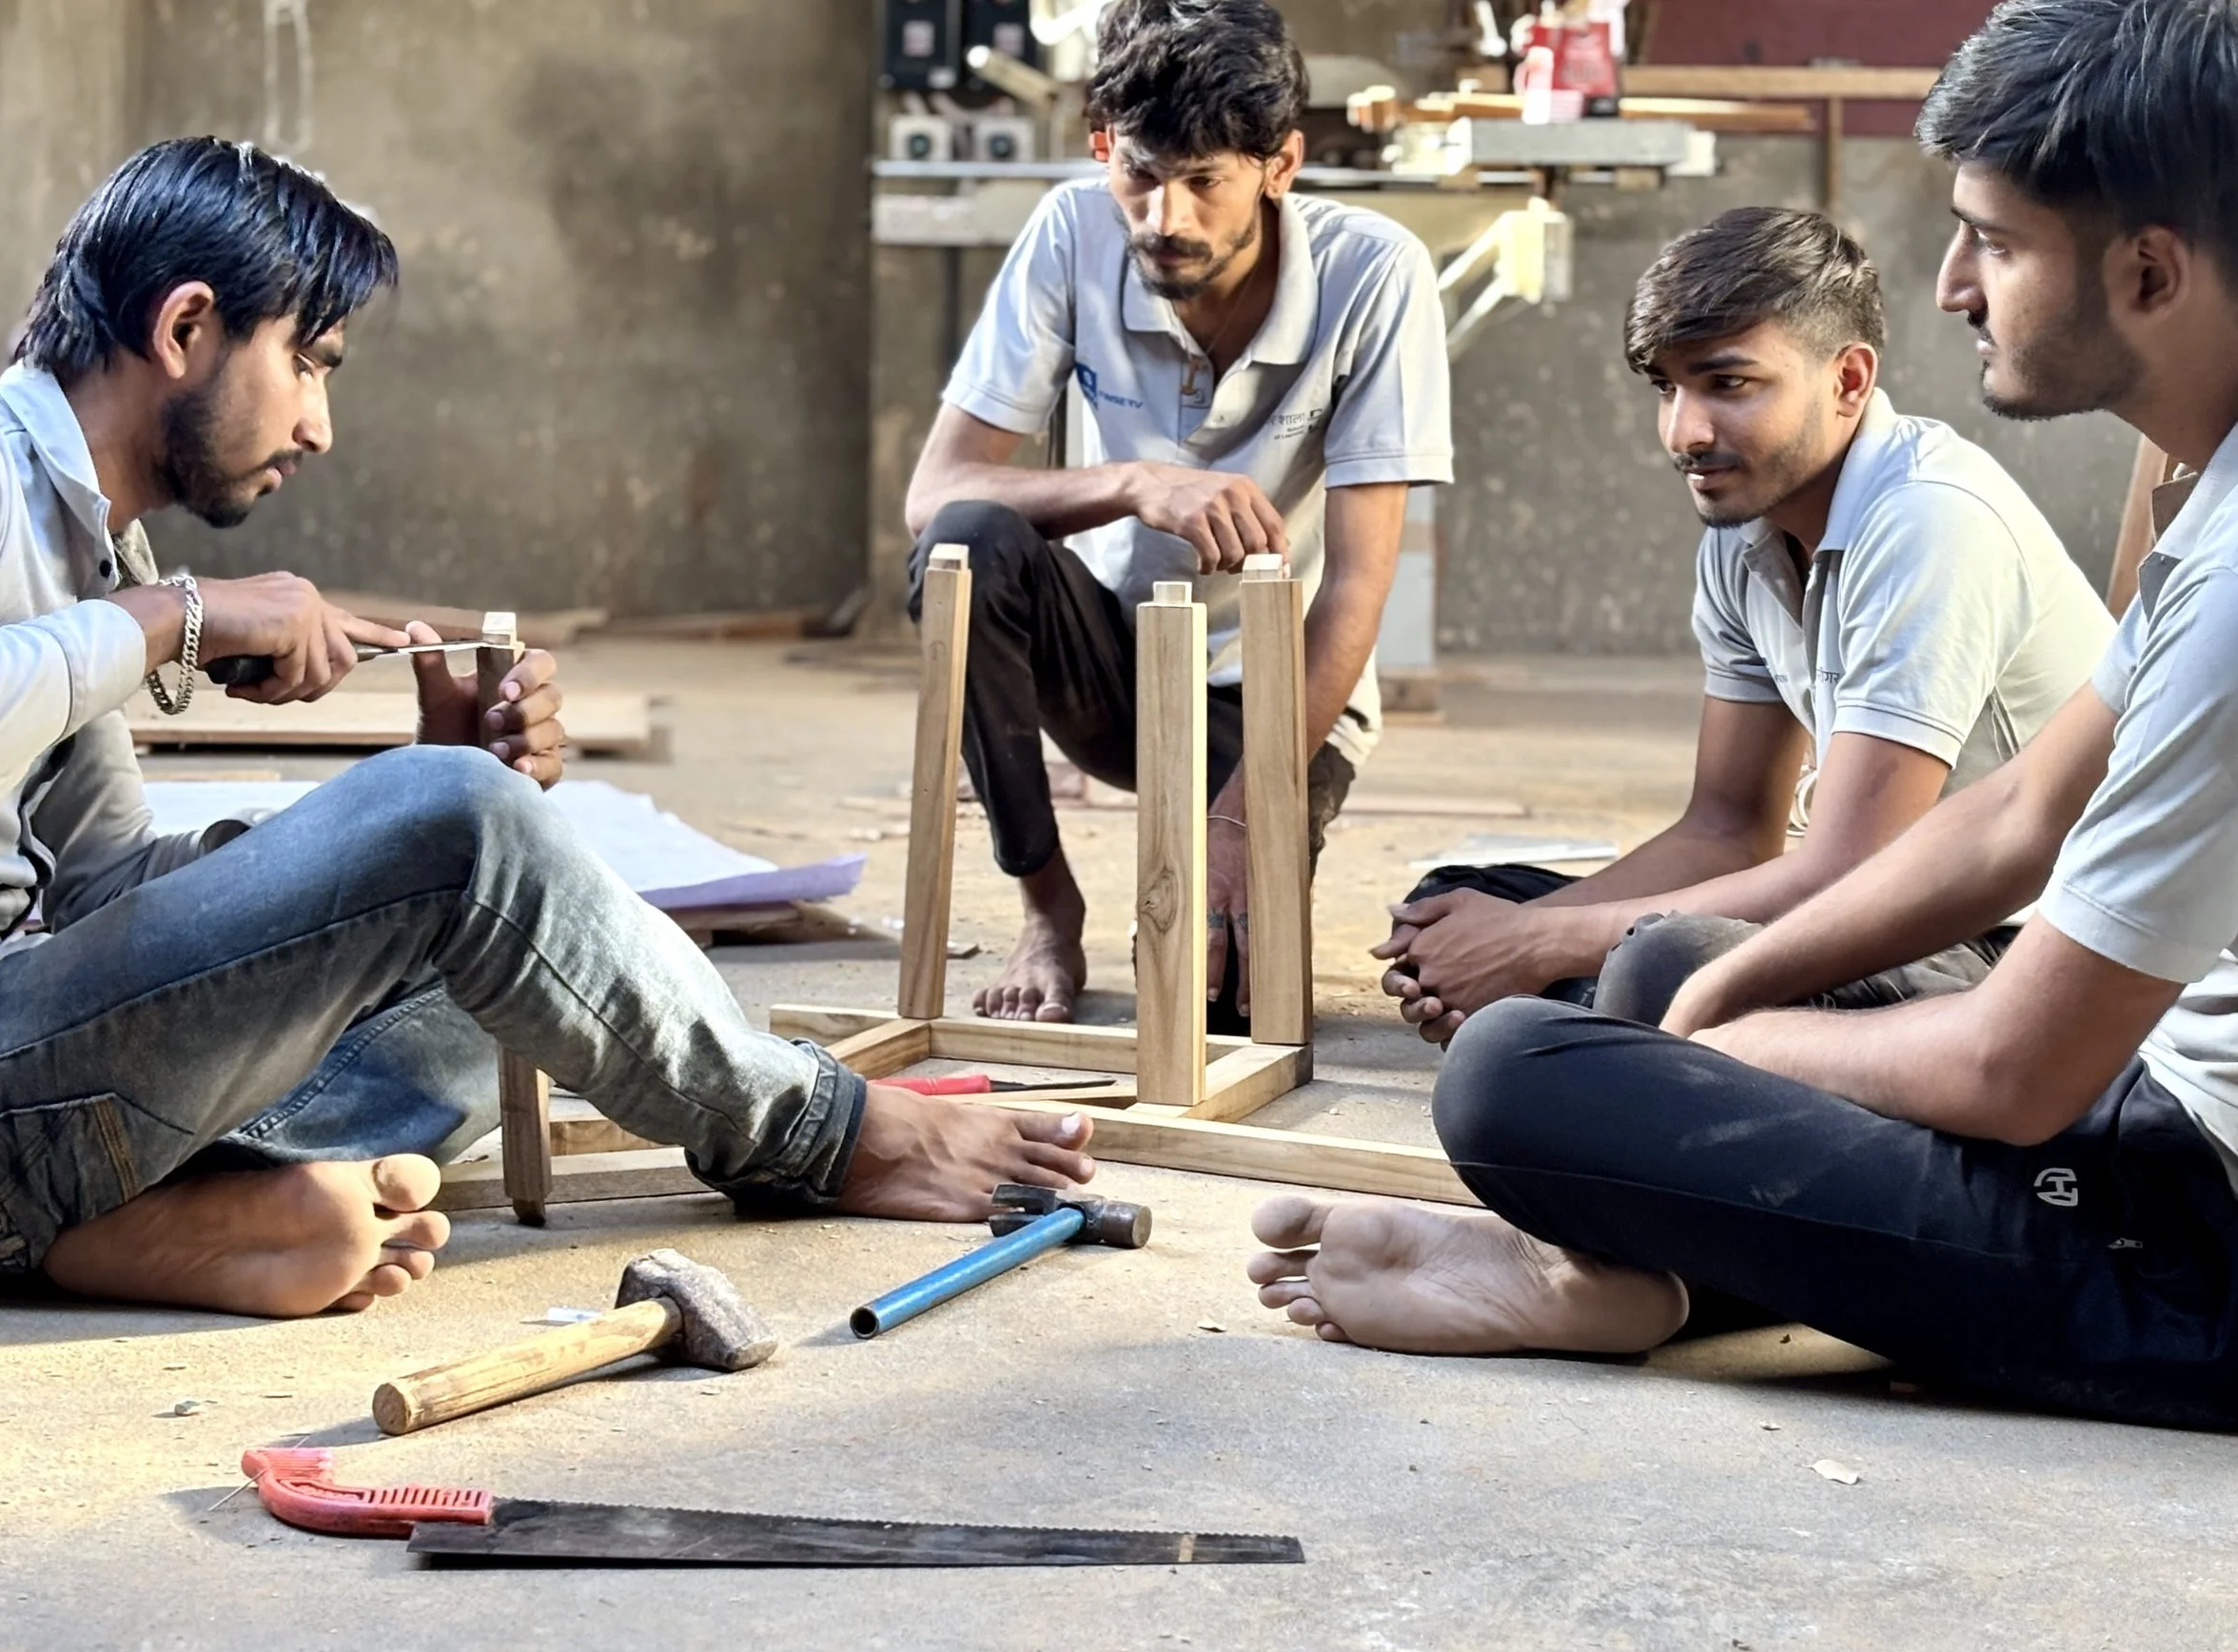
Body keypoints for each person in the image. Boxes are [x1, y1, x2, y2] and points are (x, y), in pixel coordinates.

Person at [0, 138, 1093, 1320]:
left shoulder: (83, 541)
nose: (318, 426)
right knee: (463, 838)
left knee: (508, 976)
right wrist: (175, 615)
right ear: (185, 328)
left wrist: (416, 805)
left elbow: (102, 889)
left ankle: (139, 1216)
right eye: (312, 360)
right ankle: (827, 1134)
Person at [1248, 0, 2238, 1431]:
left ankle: (1606, 1259)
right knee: (1661, 972)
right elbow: (2021, 813)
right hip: (2139, 1094)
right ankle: (1623, 1268)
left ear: (2150, 270)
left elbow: (2016, 1068)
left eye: (1997, 241)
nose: (1954, 283)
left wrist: (1722, 1047)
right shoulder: (2207, 504)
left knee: (1515, 1075)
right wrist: (1708, 995)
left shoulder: (2162, 568)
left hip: (2189, 1245)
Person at [1376, 206, 2110, 1039]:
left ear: (1847, 381)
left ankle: (1603, 1028)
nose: (1685, 433)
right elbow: (1726, 830)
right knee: (1453, 901)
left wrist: (1540, 943)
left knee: (1661, 964)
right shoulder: (1745, 531)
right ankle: (1603, 1029)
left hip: (2011, 944)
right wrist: (1502, 935)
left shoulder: (1928, 522)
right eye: (1667, 387)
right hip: (1868, 906)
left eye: (1728, 384)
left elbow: (1850, 878)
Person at [902, 0, 1454, 1028]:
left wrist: (1245, 815)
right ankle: (1046, 909)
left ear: (1278, 168)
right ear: (1103, 147)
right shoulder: (1070, 230)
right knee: (963, 547)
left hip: (1271, 699)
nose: (1166, 218)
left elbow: (1359, 582)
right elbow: (933, 493)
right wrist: (1134, 482)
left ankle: (1236, 859)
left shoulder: (1376, 272)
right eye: (1141, 175)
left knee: (1225, 1013)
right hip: (1110, 659)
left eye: (1205, 182)